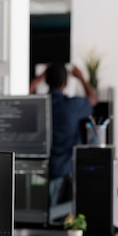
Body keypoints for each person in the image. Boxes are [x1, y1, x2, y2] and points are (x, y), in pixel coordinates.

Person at [29, 62, 98, 205]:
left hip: (39, 170)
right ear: (65, 83)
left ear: (46, 80)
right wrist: (82, 78)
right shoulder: (72, 106)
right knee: (61, 217)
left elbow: (24, 96)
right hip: (64, 172)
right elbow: (93, 99)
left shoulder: (39, 103)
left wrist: (39, 78)